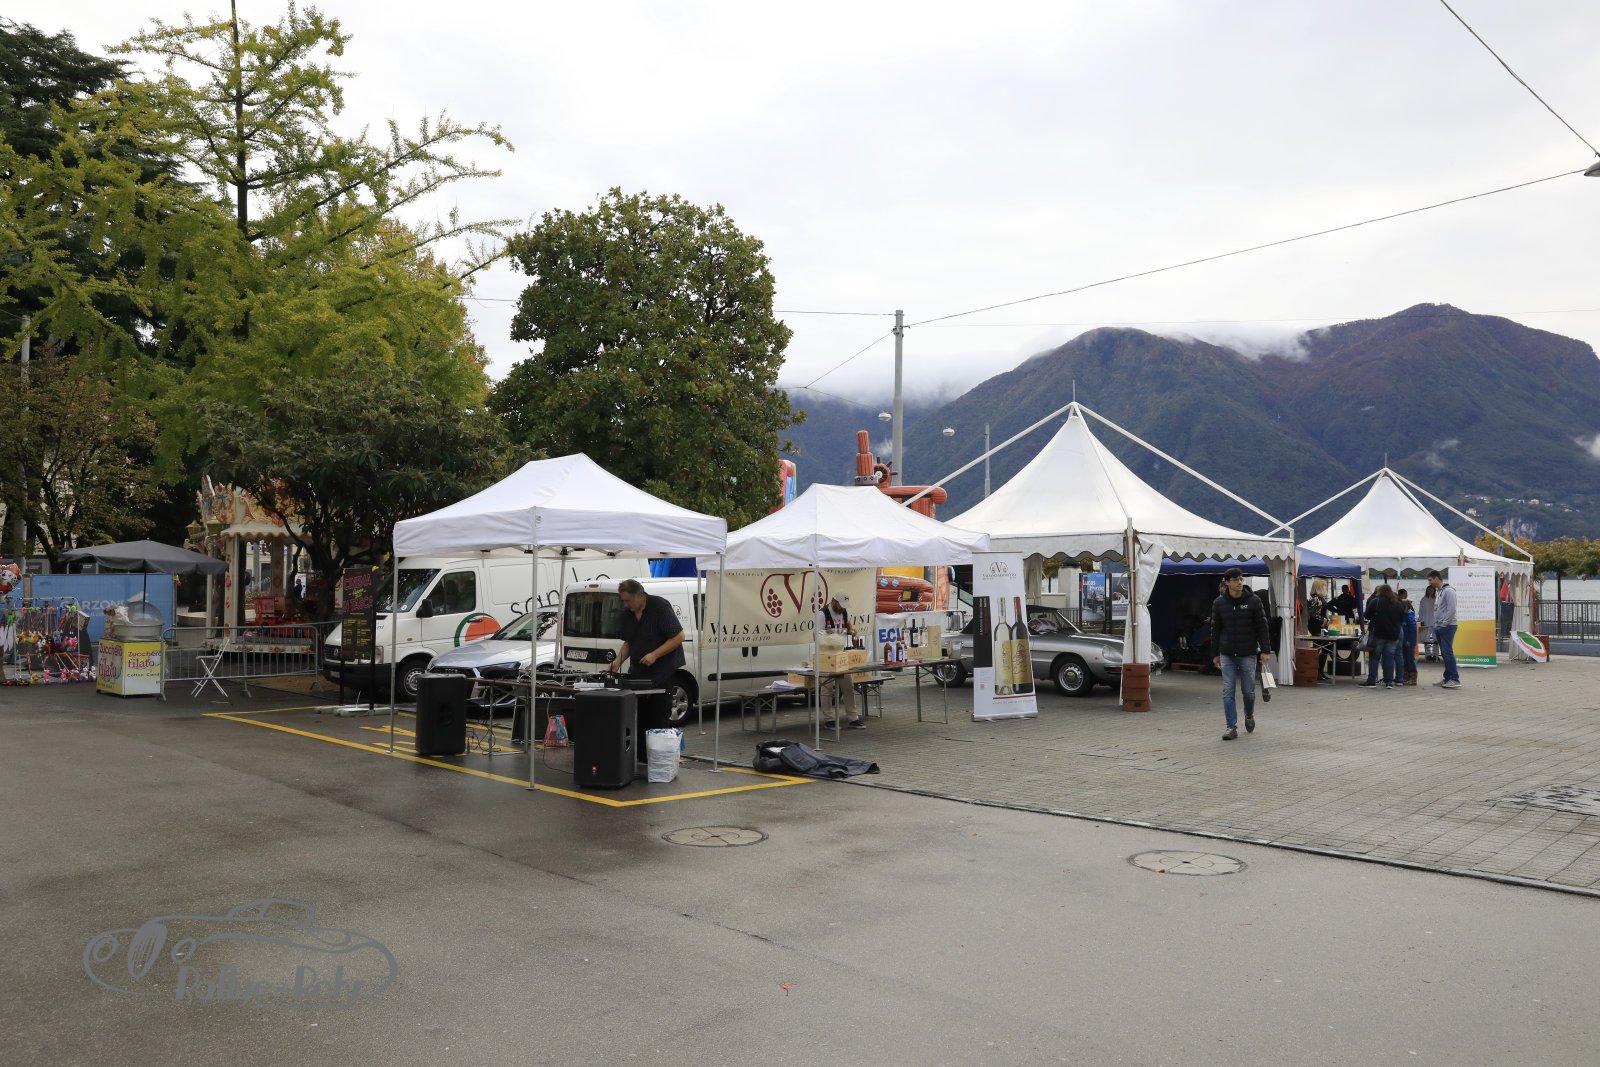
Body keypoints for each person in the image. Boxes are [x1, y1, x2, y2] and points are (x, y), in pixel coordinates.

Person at [607, 578, 687, 728]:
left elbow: (679, 636)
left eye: (628, 600)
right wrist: (618, 661)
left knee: (658, 716)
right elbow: (629, 642)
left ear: (640, 596)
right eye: (623, 601)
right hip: (638, 672)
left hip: (662, 672)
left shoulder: (659, 607)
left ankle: (657, 741)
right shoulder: (628, 613)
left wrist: (655, 655)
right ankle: (640, 743)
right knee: (639, 717)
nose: (625, 605)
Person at [1211, 567, 1271, 740]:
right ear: (1227, 582)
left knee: (1248, 692)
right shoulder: (1219, 603)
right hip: (1227, 653)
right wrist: (1215, 654)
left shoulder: (1254, 601)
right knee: (1228, 690)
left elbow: (1262, 626)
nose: (1239, 582)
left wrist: (1265, 650)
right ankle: (1231, 727)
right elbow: (1215, 630)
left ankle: (1249, 714)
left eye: (1241, 579)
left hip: (1248, 652)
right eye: (1235, 580)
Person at [819, 595, 863, 730]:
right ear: (834, 602)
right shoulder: (822, 614)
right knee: (826, 688)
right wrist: (828, 634)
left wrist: (851, 630)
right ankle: (828, 719)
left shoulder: (843, 612)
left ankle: (853, 717)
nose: (843, 608)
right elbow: (817, 635)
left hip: (840, 653)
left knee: (848, 685)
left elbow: (847, 625)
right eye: (841, 605)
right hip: (826, 654)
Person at [1359, 585, 1405, 689]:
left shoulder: (1375, 602)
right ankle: (1388, 682)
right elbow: (1402, 618)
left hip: (1378, 634)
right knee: (1389, 658)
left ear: (1379, 591)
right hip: (1393, 635)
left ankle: (1371, 681)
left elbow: (1367, 615)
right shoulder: (1398, 603)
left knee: (1374, 657)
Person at [1427, 570, 1461, 689]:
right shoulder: (1440, 592)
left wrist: (1444, 624)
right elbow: (1439, 609)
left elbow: (1452, 609)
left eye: (1430, 580)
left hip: (1447, 626)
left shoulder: (1449, 591)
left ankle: (1454, 679)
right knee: (1445, 653)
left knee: (1447, 652)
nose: (1429, 583)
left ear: (1436, 578)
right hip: (1440, 625)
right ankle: (1447, 678)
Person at [1397, 588, 1418, 685]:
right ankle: (1405, 676)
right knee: (1404, 659)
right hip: (1404, 641)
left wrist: (1410, 640)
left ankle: (1413, 678)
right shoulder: (1404, 615)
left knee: (1410, 659)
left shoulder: (1410, 615)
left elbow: (1413, 629)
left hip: (1409, 641)